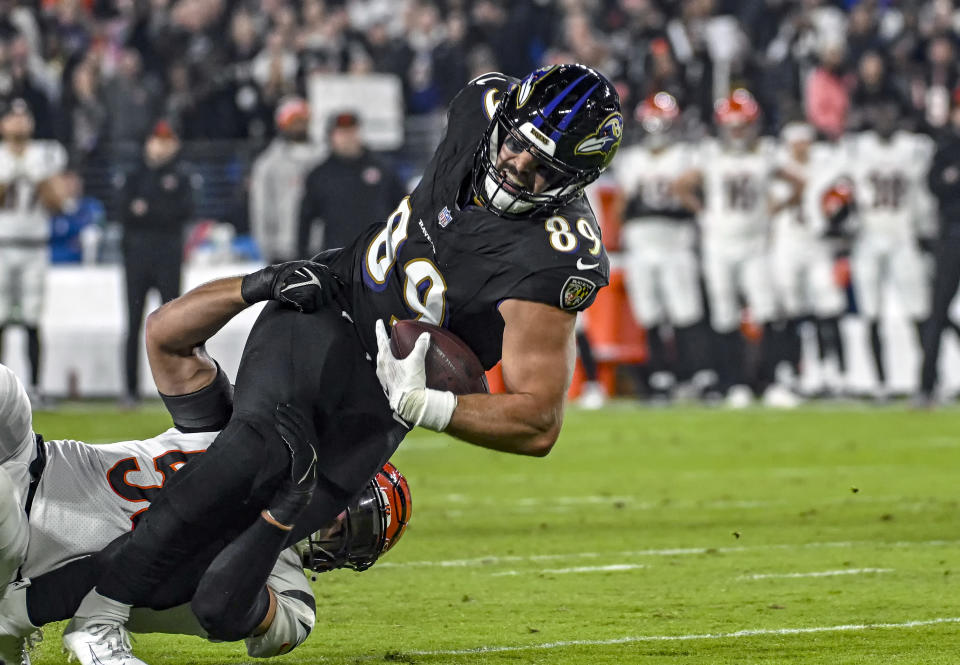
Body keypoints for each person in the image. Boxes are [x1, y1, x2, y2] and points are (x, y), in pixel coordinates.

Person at [64, 63, 622, 664]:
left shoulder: (557, 256)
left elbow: (539, 422)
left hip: (380, 405)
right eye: (515, 143)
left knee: (222, 583)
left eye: (543, 167)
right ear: (503, 120)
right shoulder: (481, 103)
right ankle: (98, 615)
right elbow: (163, 333)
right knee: (255, 449)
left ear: (577, 179)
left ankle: (44, 605)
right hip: (333, 305)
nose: (516, 165)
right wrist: (266, 284)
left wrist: (426, 405)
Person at [0, 284, 411, 663]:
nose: (331, 518)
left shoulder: (291, 601)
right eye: (344, 507)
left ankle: (9, 625)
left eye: (345, 529)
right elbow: (164, 335)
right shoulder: (248, 442)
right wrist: (255, 285)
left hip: (21, 556)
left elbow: (221, 607)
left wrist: (278, 518)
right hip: (32, 456)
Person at [675, 89, 799, 408]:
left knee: (767, 310)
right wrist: (703, 213)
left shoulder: (766, 154)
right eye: (733, 126)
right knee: (724, 315)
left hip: (754, 243)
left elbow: (798, 183)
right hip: (719, 244)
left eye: (742, 125)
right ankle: (734, 384)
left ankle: (770, 382)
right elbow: (681, 186)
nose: (738, 132)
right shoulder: (711, 154)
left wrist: (774, 209)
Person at [614, 92, 706, 401]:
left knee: (684, 312)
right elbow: (621, 208)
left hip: (676, 240)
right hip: (642, 242)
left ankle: (692, 374)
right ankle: (660, 376)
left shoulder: (687, 156)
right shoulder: (632, 161)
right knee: (649, 313)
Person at [839, 100, 934, 400]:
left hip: (904, 235)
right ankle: (879, 381)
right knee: (871, 311)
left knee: (919, 309)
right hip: (868, 236)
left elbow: (922, 195)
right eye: (879, 112)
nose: (884, 119)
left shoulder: (914, 149)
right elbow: (834, 186)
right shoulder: (858, 148)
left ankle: (928, 378)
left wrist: (926, 230)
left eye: (890, 113)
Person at [118, 120, 194, 406]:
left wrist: (147, 209)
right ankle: (130, 390)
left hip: (168, 258)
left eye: (167, 140)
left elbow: (184, 210)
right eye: (158, 139)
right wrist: (161, 209)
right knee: (133, 324)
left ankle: (179, 390)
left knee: (173, 326)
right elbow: (123, 210)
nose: (162, 146)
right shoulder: (134, 174)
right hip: (137, 258)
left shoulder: (181, 175)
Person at [770, 122, 848, 396]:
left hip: (817, 243)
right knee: (791, 309)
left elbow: (840, 195)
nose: (801, 147)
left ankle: (834, 371)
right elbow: (769, 207)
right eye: (796, 142)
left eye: (805, 141)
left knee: (829, 305)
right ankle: (793, 370)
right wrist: (797, 190)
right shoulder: (777, 167)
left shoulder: (825, 165)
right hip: (787, 243)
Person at [0, 99, 69, 407]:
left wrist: (38, 176)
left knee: (32, 319)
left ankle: (36, 387)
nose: (18, 122)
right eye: (12, 117)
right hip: (2, 246)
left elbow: (59, 203)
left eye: (23, 116)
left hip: (35, 247)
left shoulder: (45, 154)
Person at [298, 111, 406, 255]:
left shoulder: (383, 168)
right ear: (331, 137)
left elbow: (404, 209)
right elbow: (305, 220)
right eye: (342, 133)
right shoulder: (319, 175)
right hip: (338, 260)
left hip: (380, 257)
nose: (348, 138)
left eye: (352, 132)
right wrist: (302, 257)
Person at [918, 96, 960, 405]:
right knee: (937, 312)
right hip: (951, 235)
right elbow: (935, 186)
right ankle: (926, 385)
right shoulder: (945, 149)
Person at [249, 97, 324, 263]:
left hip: (321, 245)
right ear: (283, 124)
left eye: (302, 120)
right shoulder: (268, 163)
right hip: (284, 247)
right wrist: (265, 245)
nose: (299, 125)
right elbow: (261, 207)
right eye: (293, 121)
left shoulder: (324, 157)